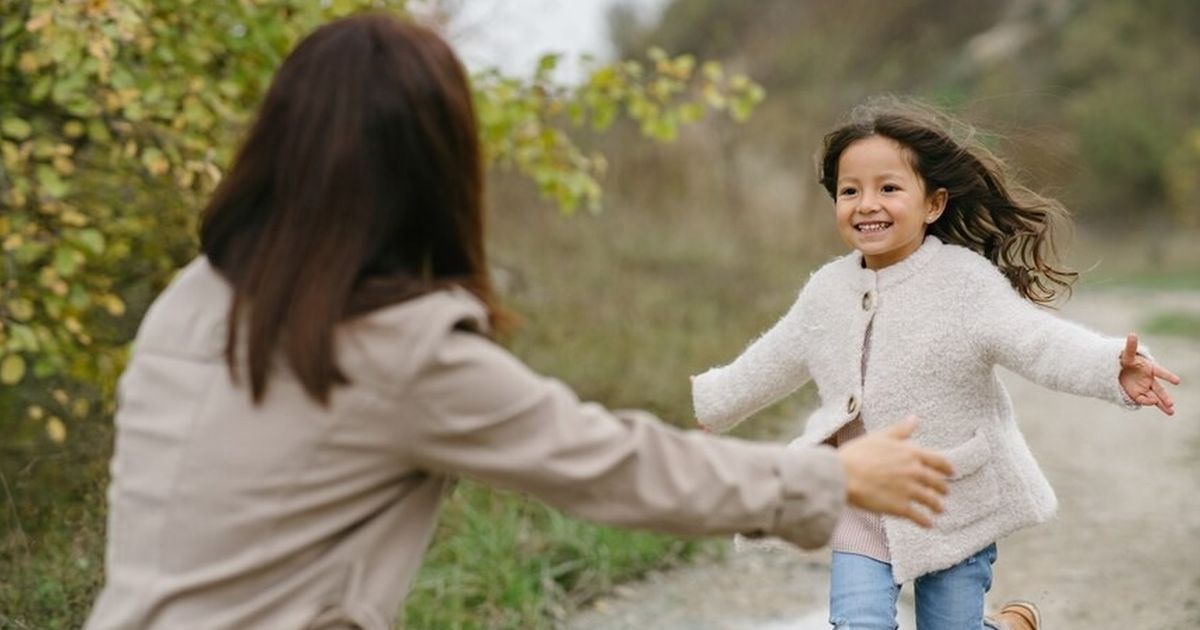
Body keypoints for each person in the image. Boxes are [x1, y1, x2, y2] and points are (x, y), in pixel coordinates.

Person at [83, 16, 955, 630]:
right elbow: (613, 467)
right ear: (437, 167)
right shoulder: (399, 350)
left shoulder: (193, 297)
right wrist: (831, 482)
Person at [690, 98, 1181, 630]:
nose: (866, 204)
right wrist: (712, 403)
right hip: (860, 495)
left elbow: (1037, 341)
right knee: (858, 623)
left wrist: (1111, 367)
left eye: (889, 188)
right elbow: (775, 357)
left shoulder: (964, 282)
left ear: (933, 203)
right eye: (850, 190)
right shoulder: (827, 290)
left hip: (950, 500)